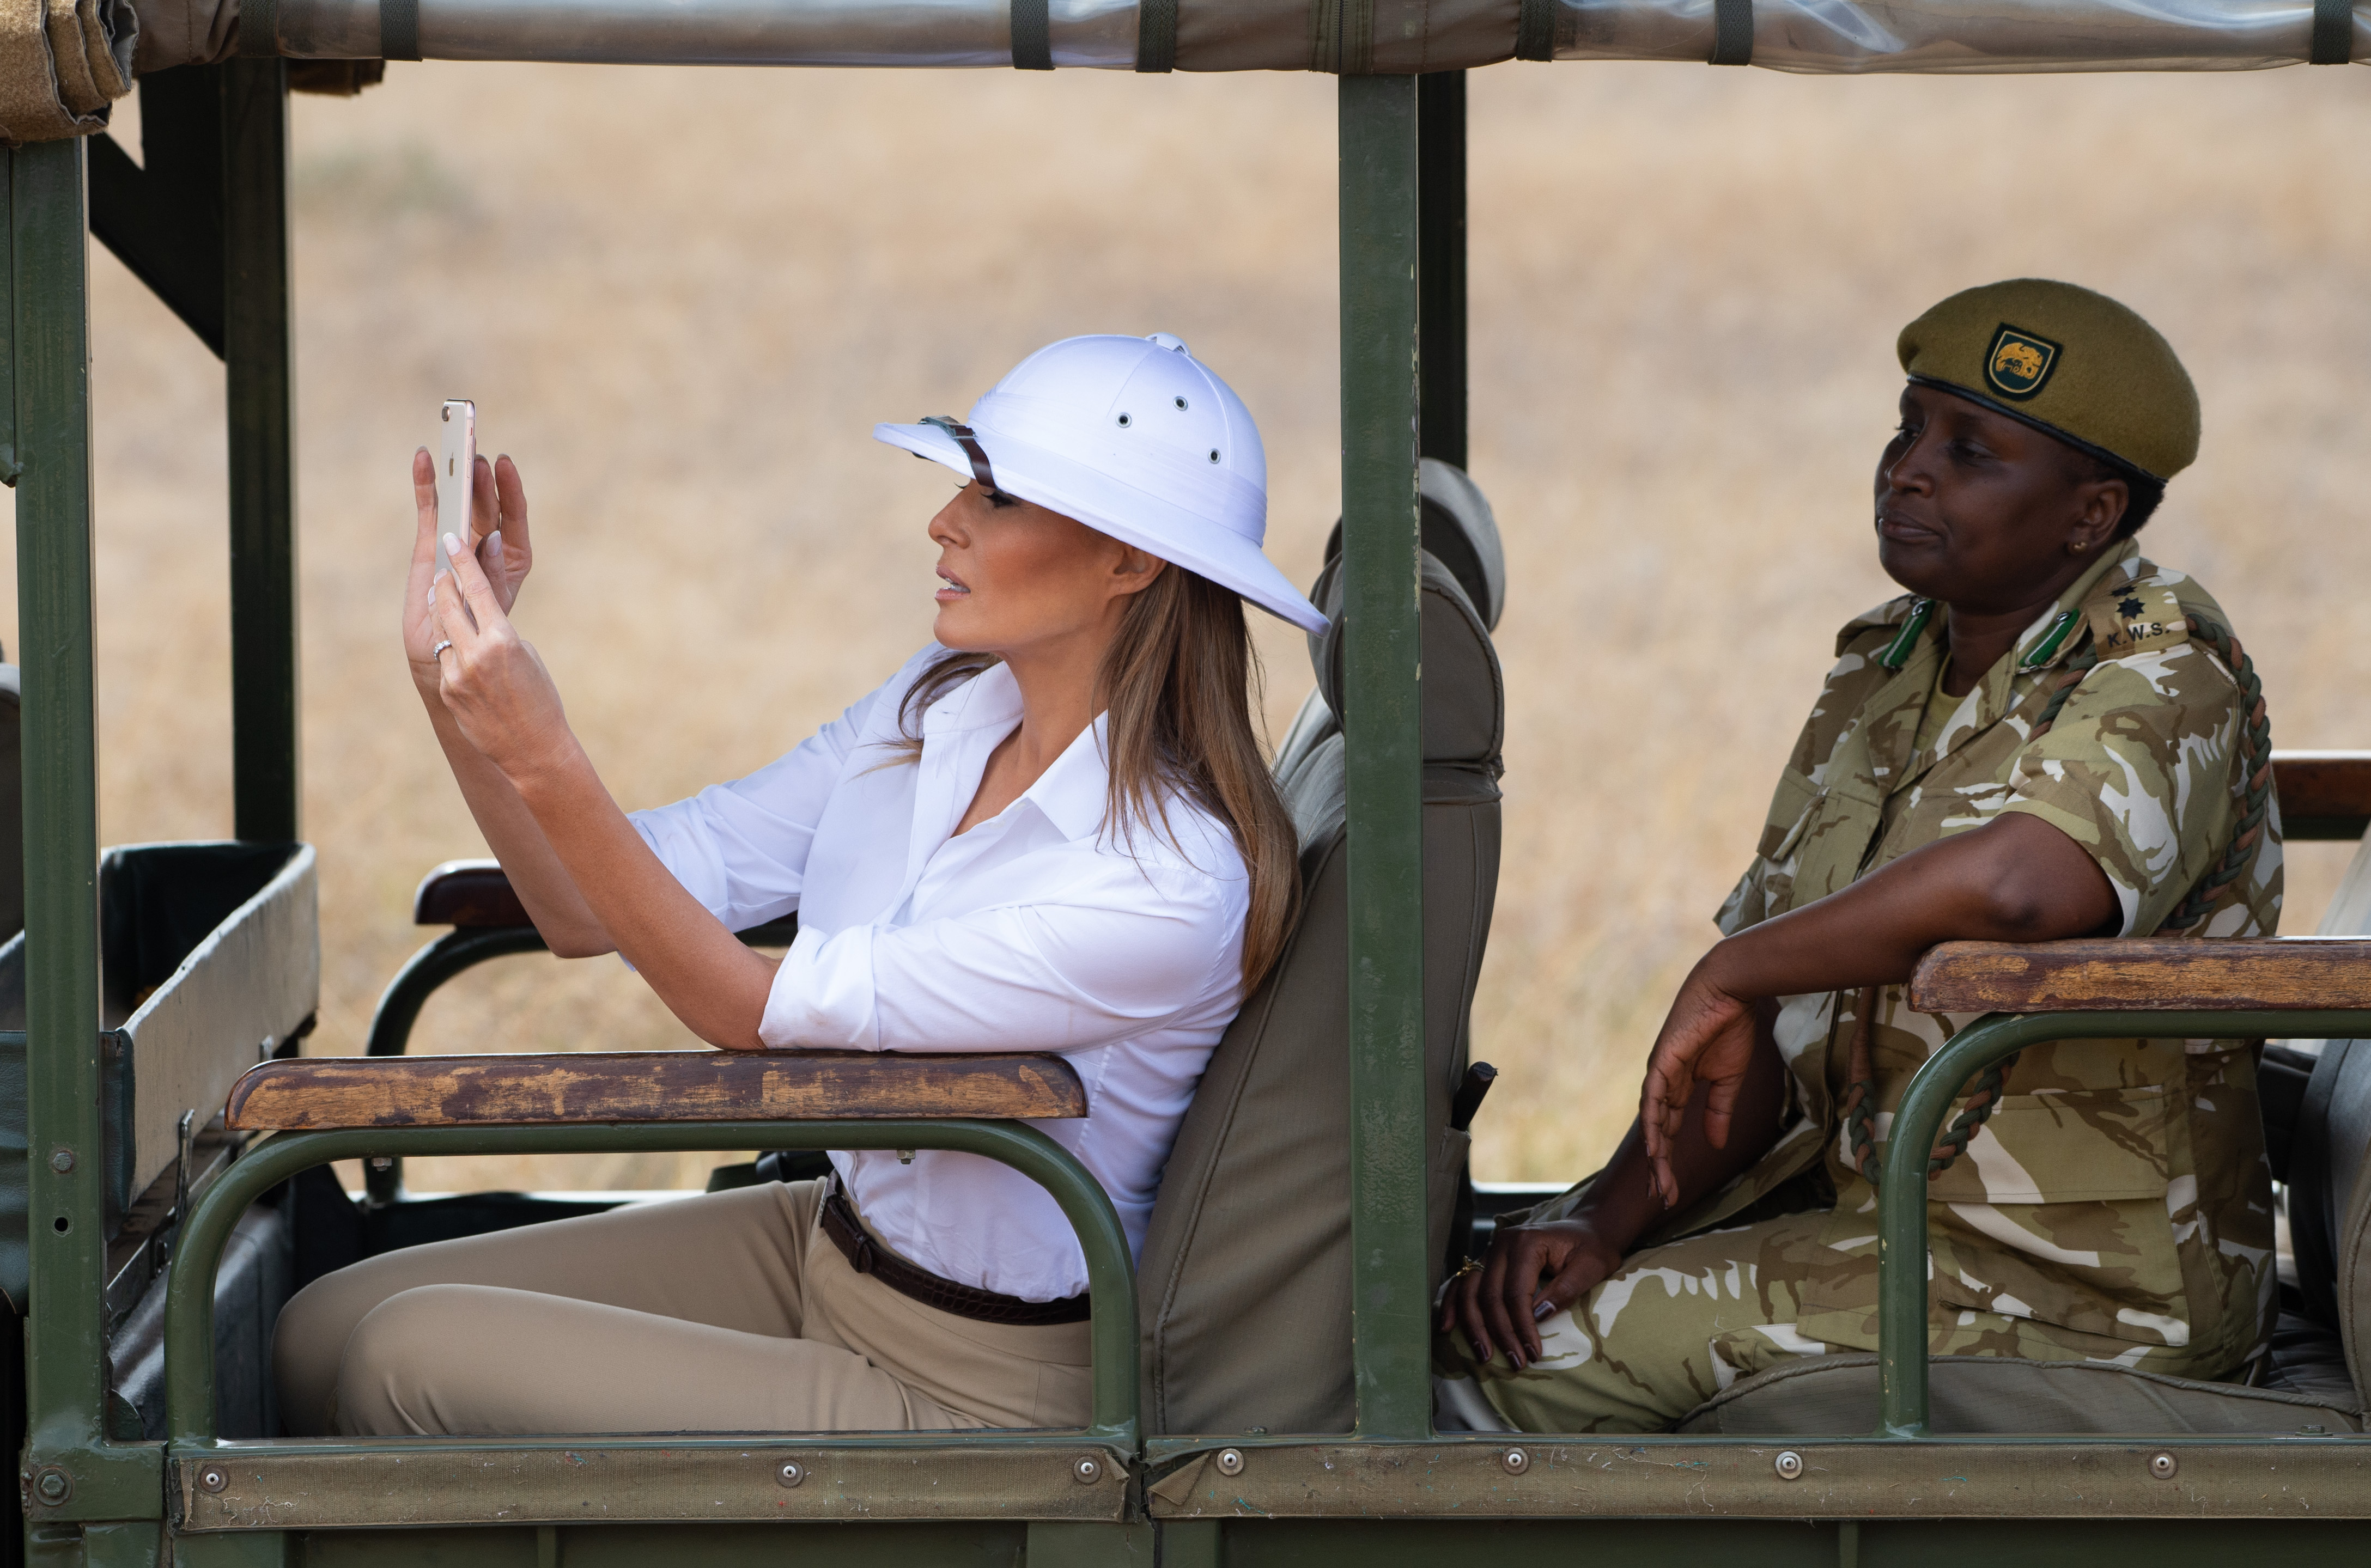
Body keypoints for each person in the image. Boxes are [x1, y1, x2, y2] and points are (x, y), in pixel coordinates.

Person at [273, 333, 1326, 1436]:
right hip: (829, 1247)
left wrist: (546, 755)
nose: (944, 520)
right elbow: (589, 907)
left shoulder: (1166, 883)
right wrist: (450, 691)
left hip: (981, 1386)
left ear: (1132, 562)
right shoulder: (938, 702)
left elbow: (748, 1012)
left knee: (401, 1359)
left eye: (998, 496)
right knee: (322, 1326)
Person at [1437, 279, 2281, 1433]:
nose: (1908, 470)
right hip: (1882, 1225)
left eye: (1970, 453)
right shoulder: (1883, 664)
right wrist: (1603, 1216)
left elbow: (2025, 884)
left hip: (2087, 1286)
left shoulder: (2165, 666)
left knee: (1526, 1374)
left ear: (2089, 516)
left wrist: (1739, 973)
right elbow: (1771, 1024)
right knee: (1485, 1314)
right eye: (1907, 430)